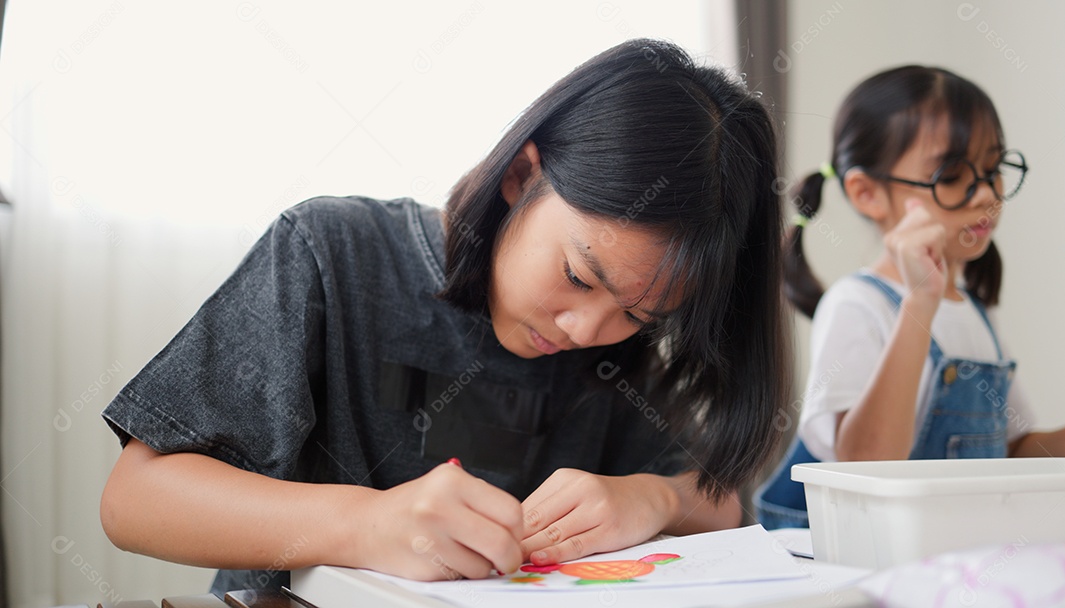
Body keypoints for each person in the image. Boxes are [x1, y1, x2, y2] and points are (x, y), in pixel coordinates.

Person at [99, 39, 791, 594]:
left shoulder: (618, 354)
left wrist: (653, 498)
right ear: (522, 177)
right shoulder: (332, 254)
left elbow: (721, 501)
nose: (586, 331)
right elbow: (133, 500)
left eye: (638, 314)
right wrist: (365, 523)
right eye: (578, 277)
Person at [754, 65, 1065, 530]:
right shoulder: (856, 305)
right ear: (867, 193)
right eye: (952, 175)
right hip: (852, 560)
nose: (985, 194)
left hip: (941, 549)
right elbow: (865, 467)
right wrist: (920, 303)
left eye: (993, 170)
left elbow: (1012, 450)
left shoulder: (975, 310)